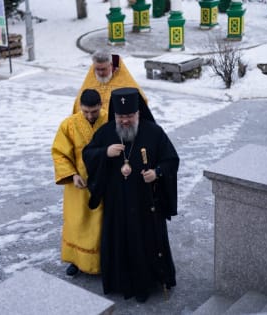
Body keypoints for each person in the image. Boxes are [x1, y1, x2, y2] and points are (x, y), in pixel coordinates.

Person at [82, 87, 179, 303]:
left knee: (145, 242)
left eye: (129, 116)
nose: (125, 121)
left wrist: (157, 173)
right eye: (120, 116)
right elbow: (87, 154)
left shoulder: (154, 132)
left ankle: (148, 283)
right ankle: (121, 282)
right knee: (120, 241)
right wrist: (104, 153)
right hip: (117, 203)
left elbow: (171, 160)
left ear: (138, 113)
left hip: (146, 203)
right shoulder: (106, 133)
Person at [51, 89, 107, 277]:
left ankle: (102, 261)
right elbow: (59, 153)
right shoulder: (68, 125)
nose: (90, 116)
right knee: (76, 223)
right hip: (78, 185)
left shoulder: (110, 120)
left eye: (94, 111)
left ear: (100, 105)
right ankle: (76, 260)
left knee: (100, 225)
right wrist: (72, 174)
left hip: (104, 183)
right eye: (86, 112)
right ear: (80, 108)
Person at [72, 49, 147, 115]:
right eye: (97, 69)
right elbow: (78, 106)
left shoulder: (125, 82)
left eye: (103, 69)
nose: (100, 73)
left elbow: (141, 104)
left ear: (111, 65)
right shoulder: (90, 80)